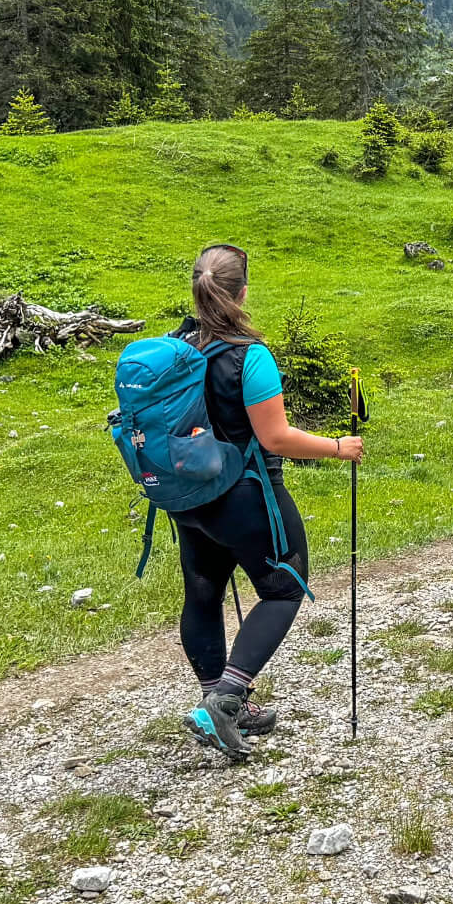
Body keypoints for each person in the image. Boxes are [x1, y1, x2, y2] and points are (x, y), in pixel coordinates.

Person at [171, 242, 360, 761]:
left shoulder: (176, 346)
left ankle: (217, 701)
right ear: (243, 292)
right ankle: (226, 702)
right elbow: (274, 438)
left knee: (203, 594)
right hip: (243, 494)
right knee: (284, 586)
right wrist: (339, 447)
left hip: (187, 497)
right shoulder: (248, 356)